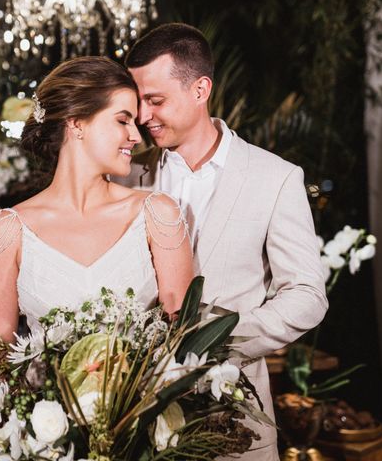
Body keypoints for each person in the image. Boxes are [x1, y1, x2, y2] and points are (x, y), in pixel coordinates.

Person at [115, 23, 328, 460]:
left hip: (237, 418)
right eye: (139, 103)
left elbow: (307, 295)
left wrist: (218, 340)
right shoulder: (127, 177)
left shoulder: (277, 177)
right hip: (132, 418)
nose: (143, 117)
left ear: (200, 89)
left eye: (156, 101)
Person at [0, 56, 193, 349]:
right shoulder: (9, 229)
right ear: (77, 123)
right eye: (122, 120)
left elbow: (182, 340)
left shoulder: (157, 214)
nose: (136, 137)